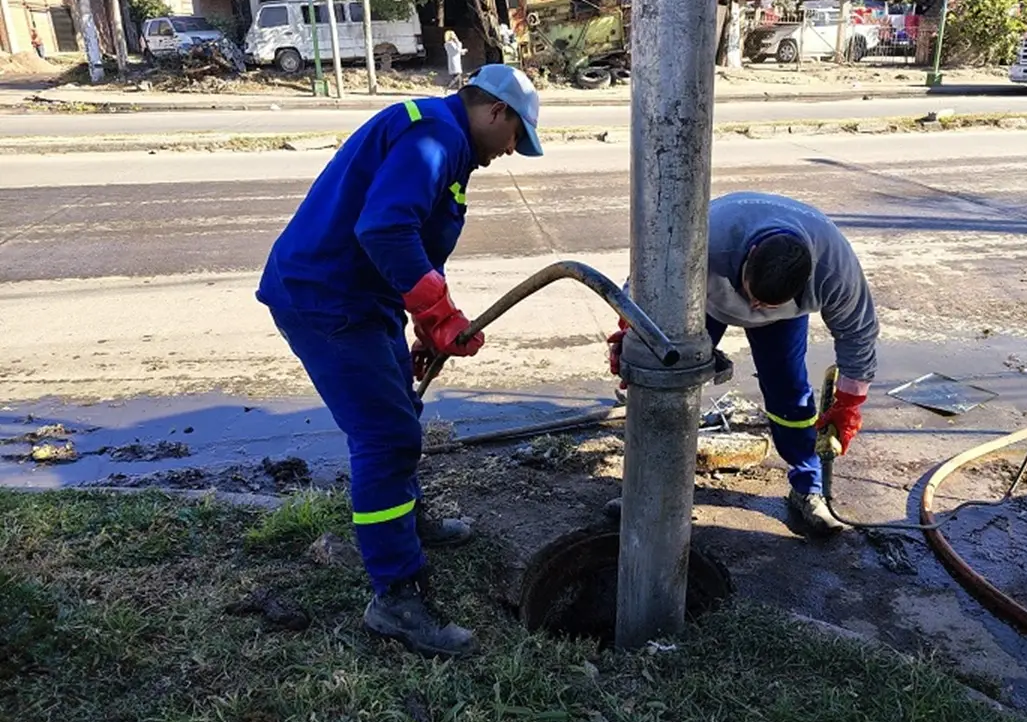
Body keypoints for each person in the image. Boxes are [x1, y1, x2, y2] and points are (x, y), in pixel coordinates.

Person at [256, 65, 543, 658]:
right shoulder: (432, 136)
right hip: (328, 301)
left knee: (401, 418)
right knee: (386, 438)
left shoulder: (446, 141)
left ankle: (405, 524)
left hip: (363, 298)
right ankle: (395, 597)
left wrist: (423, 319)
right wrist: (438, 314)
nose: (513, 150)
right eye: (518, 135)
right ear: (496, 112)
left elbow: (411, 240)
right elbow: (385, 229)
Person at [607, 192, 879, 537]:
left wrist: (849, 405)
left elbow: (859, 335)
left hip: (784, 320)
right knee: (666, 384)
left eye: (765, 303)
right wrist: (630, 334)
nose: (754, 307)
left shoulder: (833, 267)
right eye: (752, 295)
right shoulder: (704, 240)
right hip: (700, 300)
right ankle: (647, 491)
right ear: (749, 256)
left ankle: (808, 487)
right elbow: (646, 282)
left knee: (790, 394)